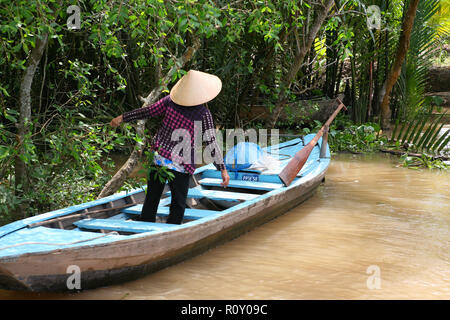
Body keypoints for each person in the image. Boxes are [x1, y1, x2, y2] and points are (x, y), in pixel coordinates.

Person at [110, 70, 230, 224]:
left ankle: (146, 226)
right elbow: (211, 142)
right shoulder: (203, 113)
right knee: (178, 203)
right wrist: (222, 169)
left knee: (152, 198)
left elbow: (147, 111)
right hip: (180, 164)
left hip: (159, 157)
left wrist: (123, 117)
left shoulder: (170, 101)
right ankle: (171, 230)